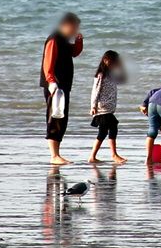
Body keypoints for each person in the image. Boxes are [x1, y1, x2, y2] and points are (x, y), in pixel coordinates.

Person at [40, 12, 84, 165]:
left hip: (64, 85)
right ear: (66, 25)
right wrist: (51, 82)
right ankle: (54, 155)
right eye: (74, 27)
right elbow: (48, 63)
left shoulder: (64, 40)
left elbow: (74, 52)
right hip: (55, 86)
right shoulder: (54, 39)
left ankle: (57, 154)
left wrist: (79, 40)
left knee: (62, 118)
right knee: (54, 118)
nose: (75, 30)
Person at [86, 50, 127, 164]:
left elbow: (123, 80)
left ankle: (92, 157)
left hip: (109, 109)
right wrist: (93, 106)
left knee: (103, 132)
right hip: (102, 108)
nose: (115, 64)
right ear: (106, 61)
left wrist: (121, 68)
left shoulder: (111, 75)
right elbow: (95, 91)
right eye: (114, 62)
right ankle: (114, 155)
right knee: (112, 127)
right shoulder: (101, 75)